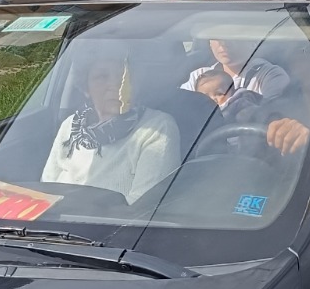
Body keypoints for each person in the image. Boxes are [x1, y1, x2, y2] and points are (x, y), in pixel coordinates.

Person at [42, 55, 179, 202]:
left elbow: (143, 208)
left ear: (136, 83)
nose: (116, 85)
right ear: (86, 87)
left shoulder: (157, 128)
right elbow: (45, 190)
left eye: (124, 75)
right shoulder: (71, 125)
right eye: (102, 77)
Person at [182, 39, 291, 100]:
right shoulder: (199, 76)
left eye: (231, 36)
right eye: (216, 36)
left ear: (253, 40)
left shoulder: (270, 75)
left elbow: (272, 115)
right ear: (210, 43)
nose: (223, 43)